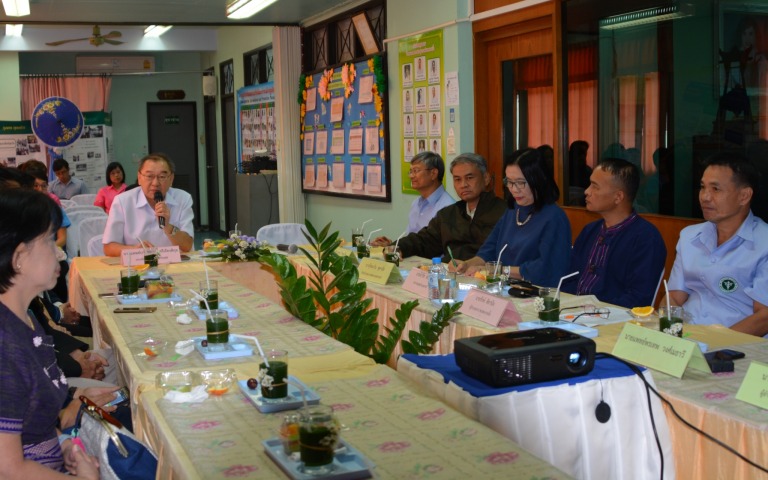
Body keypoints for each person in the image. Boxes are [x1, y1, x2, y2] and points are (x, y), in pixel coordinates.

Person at [0, 188, 101, 478]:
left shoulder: (24, 319)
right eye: (48, 240)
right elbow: (8, 468)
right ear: (19, 256)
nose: (58, 250)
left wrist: (63, 443)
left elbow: (33, 419)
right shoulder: (5, 344)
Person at [666, 152, 768, 336]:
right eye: (702, 187)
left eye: (716, 189)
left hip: (738, 346)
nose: (705, 197)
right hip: (687, 337)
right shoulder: (689, 236)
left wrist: (715, 347)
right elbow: (674, 297)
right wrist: (671, 338)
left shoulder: (764, 243)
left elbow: (764, 317)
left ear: (744, 196)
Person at [453, 148, 571, 286]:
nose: (514, 189)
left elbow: (545, 269)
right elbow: (489, 249)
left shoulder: (554, 217)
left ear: (538, 180)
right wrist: (467, 264)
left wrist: (501, 271)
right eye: (509, 182)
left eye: (520, 182)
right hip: (506, 287)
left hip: (536, 293)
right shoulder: (512, 210)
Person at [561, 158, 666, 308]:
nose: (587, 191)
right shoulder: (590, 230)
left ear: (618, 197)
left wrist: (595, 312)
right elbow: (569, 279)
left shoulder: (646, 238)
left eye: (595, 187)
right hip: (574, 314)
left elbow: (638, 298)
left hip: (612, 320)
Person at [379, 153, 506, 262]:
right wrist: (397, 247)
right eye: (457, 179)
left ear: (486, 178)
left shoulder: (504, 213)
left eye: (469, 178)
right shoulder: (449, 213)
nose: (463, 185)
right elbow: (424, 240)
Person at [103, 153, 194, 256]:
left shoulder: (183, 199)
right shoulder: (122, 202)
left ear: (171, 179)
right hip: (137, 267)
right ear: (139, 177)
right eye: (149, 176)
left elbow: (187, 246)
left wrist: (168, 227)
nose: (155, 183)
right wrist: (135, 250)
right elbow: (108, 247)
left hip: (175, 266)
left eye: (162, 176)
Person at [375, 152, 454, 237]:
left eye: (416, 171)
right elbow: (412, 239)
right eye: (411, 171)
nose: (411, 176)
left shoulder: (448, 207)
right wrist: (392, 246)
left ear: (433, 173)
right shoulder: (416, 203)